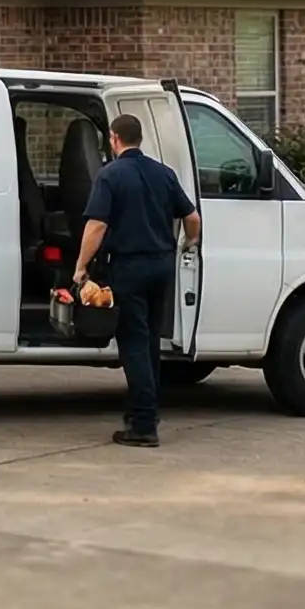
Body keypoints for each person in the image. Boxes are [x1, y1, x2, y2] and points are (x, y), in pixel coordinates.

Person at [71, 112, 203, 447]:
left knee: (132, 345)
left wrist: (81, 267)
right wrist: (188, 243)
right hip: (162, 267)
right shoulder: (164, 174)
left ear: (114, 139)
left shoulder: (110, 175)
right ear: (139, 138)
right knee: (148, 344)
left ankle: (144, 426)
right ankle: (146, 411)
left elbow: (96, 226)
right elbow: (192, 217)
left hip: (129, 268)